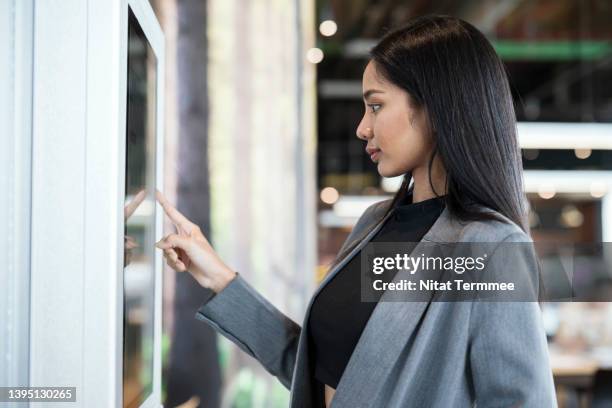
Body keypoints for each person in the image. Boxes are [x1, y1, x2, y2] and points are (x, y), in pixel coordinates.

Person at [156, 15, 557, 408]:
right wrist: (217, 276)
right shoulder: (375, 223)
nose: (362, 128)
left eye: (376, 106)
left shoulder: (491, 247)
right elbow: (316, 370)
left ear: (435, 106)